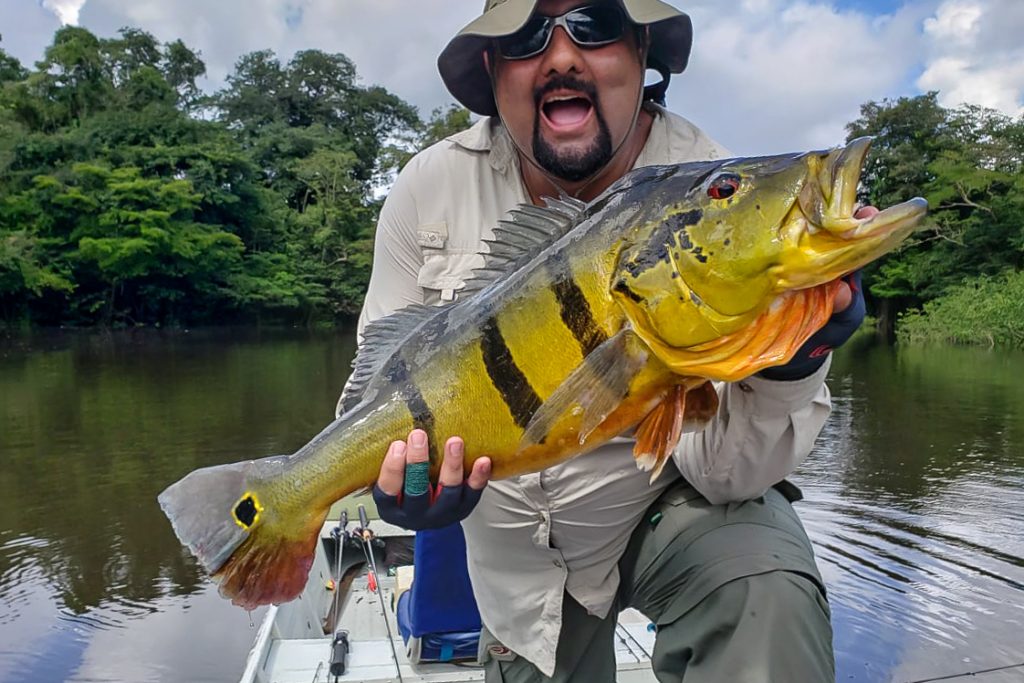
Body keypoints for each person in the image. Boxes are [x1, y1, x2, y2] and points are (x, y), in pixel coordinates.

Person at [349, 1, 870, 680]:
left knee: (762, 582)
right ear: (491, 65)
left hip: (665, 510)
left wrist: (790, 360)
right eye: (528, 35)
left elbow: (728, 473)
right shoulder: (427, 188)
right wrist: (398, 487)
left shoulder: (716, 187)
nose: (562, 55)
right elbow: (364, 404)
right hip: (514, 573)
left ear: (641, 48)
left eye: (594, 23)